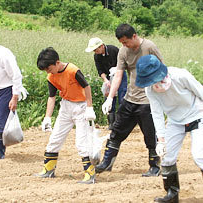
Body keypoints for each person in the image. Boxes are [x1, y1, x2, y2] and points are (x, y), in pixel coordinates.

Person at [96, 23, 161, 177]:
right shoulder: (123, 51)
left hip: (148, 101)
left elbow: (161, 70)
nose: (124, 45)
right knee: (116, 130)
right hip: (130, 99)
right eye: (121, 43)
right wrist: (110, 98)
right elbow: (118, 75)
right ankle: (107, 162)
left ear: (134, 36)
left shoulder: (149, 47)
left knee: (150, 135)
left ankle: (154, 166)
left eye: (126, 42)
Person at [135, 54, 203, 203]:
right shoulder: (150, 91)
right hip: (175, 121)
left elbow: (201, 92)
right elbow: (157, 114)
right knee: (166, 157)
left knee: (200, 155)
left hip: (198, 115)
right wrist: (161, 140)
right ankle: (172, 195)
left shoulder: (181, 75)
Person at [35, 47, 96, 184]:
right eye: (46, 70)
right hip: (66, 106)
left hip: (81, 107)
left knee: (82, 142)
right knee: (55, 138)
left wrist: (89, 107)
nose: (48, 72)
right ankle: (48, 169)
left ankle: (90, 174)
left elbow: (87, 87)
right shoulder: (51, 77)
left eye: (49, 68)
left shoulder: (73, 70)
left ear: (57, 62)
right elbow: (52, 97)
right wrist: (47, 117)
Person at [85, 37, 127, 130]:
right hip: (108, 76)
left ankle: (123, 124)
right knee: (108, 98)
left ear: (101, 46)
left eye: (96, 49)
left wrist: (117, 70)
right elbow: (100, 70)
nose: (95, 52)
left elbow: (123, 62)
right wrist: (106, 80)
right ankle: (111, 123)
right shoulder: (96, 56)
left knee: (122, 97)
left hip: (120, 74)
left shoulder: (113, 49)